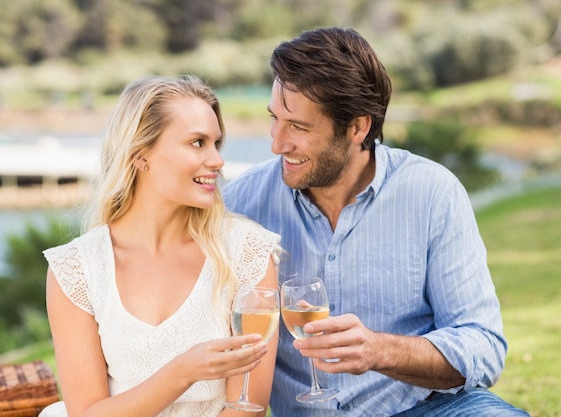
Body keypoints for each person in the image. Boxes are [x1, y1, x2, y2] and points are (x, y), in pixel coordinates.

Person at [223, 27, 529, 417]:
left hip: (425, 409)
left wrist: (380, 350)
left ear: (358, 127)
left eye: (298, 127)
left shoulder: (432, 193)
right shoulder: (243, 201)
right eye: (275, 119)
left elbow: (483, 347)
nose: (277, 143)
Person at [41, 75, 280, 417]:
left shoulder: (246, 253)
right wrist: (183, 372)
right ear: (141, 156)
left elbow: (247, 408)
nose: (217, 160)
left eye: (216, 143)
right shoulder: (76, 269)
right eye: (197, 143)